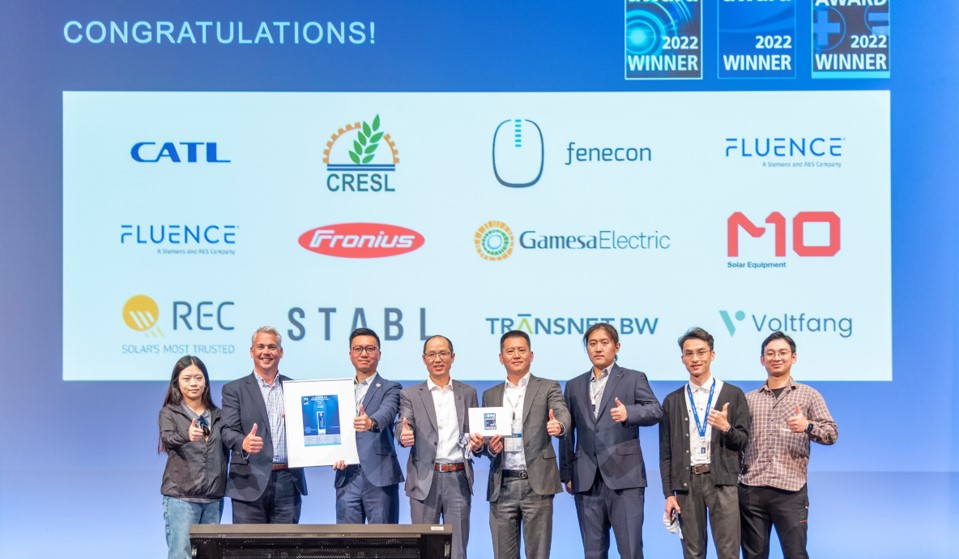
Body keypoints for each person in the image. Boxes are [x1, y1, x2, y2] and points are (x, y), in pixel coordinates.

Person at [560, 322, 664, 559]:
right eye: (592, 343)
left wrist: (630, 413)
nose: (598, 348)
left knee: (630, 551)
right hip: (586, 479)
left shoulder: (633, 378)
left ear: (616, 347)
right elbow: (568, 432)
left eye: (604, 343)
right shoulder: (574, 385)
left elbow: (656, 410)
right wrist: (566, 473)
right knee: (593, 552)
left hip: (625, 478)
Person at [739, 331, 839, 559]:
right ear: (762, 360)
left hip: (791, 490)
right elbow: (740, 442)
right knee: (753, 556)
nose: (776, 357)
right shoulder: (749, 399)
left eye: (782, 353)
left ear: (793, 357)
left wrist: (807, 426)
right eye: (770, 353)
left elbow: (832, 434)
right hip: (751, 490)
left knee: (796, 554)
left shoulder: (809, 395)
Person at [659, 327, 748, 559]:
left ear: (712, 355)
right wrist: (669, 493)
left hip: (723, 482)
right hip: (686, 484)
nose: (695, 358)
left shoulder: (733, 394)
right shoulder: (672, 401)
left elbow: (743, 441)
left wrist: (726, 428)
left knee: (728, 552)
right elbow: (665, 452)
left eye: (701, 352)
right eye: (689, 354)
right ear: (682, 358)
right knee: (692, 552)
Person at [482, 330, 571, 559]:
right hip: (502, 484)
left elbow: (561, 412)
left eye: (521, 350)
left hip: (537, 484)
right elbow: (486, 437)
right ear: (501, 358)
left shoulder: (548, 386)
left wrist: (559, 425)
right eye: (510, 351)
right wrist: (490, 447)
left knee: (538, 555)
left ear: (531, 355)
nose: (516, 355)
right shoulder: (490, 395)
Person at [396, 335, 485, 559]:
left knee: (458, 550)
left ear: (452, 357)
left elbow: (474, 434)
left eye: (443, 353)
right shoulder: (410, 394)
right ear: (424, 359)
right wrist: (403, 434)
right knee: (425, 550)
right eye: (432, 354)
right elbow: (403, 423)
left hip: (458, 478)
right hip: (424, 480)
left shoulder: (468, 393)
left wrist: (478, 444)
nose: (438, 359)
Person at [221, 326, 307, 523]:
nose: (266, 352)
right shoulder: (234, 389)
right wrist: (243, 443)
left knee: (285, 543)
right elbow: (227, 430)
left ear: (281, 352)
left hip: (288, 480)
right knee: (248, 543)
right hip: (248, 481)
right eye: (260, 347)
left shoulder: (296, 389)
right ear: (251, 351)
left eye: (272, 347)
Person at [332, 327, 404, 523]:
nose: (364, 353)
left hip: (379, 475)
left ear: (379, 354)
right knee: (347, 539)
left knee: (383, 539)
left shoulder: (391, 388)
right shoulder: (337, 391)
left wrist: (370, 422)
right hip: (346, 476)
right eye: (358, 349)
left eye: (370, 349)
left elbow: (387, 412)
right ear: (350, 355)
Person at [158, 355, 227, 559]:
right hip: (181, 498)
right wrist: (186, 435)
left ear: (206, 382)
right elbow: (168, 438)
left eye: (198, 377)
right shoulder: (170, 413)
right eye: (187, 378)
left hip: (213, 498)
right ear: (177, 383)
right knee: (181, 555)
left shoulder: (219, 415)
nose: (193, 383)